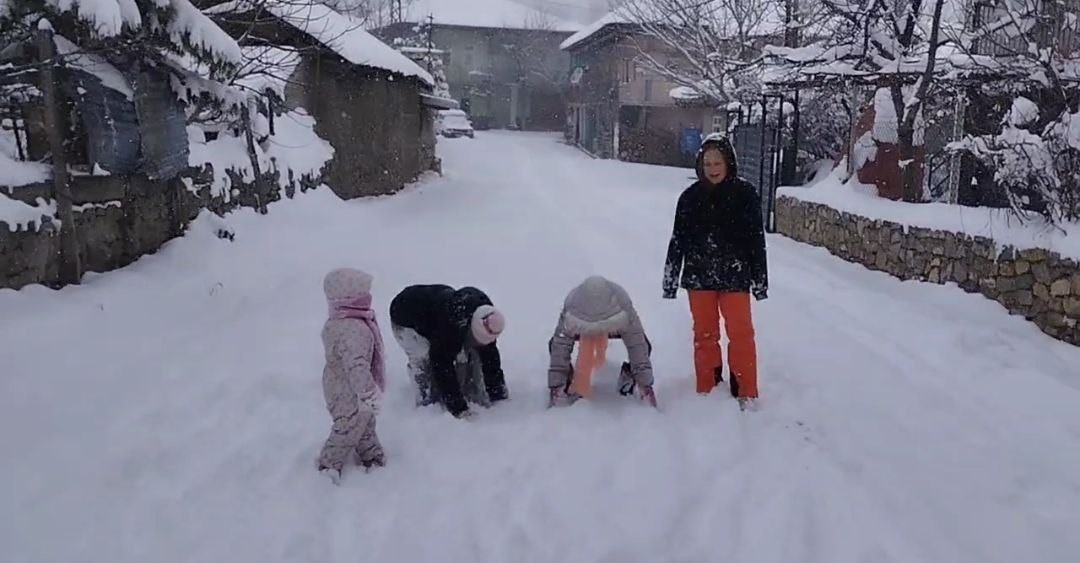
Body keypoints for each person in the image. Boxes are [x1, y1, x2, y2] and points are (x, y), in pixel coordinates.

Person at [663, 134, 768, 411]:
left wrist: (760, 279)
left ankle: (746, 389)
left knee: (741, 333)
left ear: (728, 162)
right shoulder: (689, 198)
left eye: (717, 161)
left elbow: (756, 240)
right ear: (700, 165)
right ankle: (707, 387)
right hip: (699, 277)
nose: (712, 168)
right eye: (707, 162)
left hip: (735, 276)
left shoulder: (746, 195)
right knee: (705, 335)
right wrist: (670, 279)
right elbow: (678, 239)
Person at [389, 284, 509, 418]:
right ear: (470, 330)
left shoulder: (488, 318)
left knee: (472, 352)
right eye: (475, 340)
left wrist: (498, 395)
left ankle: (470, 392)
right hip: (405, 316)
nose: (478, 344)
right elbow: (441, 365)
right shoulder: (450, 324)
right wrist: (459, 409)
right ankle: (426, 403)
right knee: (424, 359)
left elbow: (490, 356)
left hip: (436, 310)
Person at [317, 268, 386, 484]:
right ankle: (328, 464)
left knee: (365, 421)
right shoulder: (354, 329)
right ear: (352, 299)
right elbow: (357, 365)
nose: (369, 297)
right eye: (364, 293)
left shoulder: (339, 321)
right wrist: (368, 392)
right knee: (347, 425)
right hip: (347, 389)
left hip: (340, 383)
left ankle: (371, 455)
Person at [547, 276, 657, 408]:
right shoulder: (621, 301)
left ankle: (566, 381)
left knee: (555, 345)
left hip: (593, 325)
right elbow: (637, 344)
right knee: (643, 345)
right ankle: (630, 374)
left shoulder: (572, 303)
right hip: (612, 323)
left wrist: (556, 385)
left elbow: (560, 344)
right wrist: (646, 384)